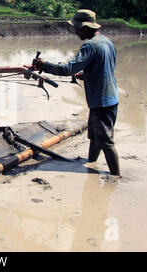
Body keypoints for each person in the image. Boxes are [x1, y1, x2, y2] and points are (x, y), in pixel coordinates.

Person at [33, 9, 120, 176]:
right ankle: (90, 164)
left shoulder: (90, 46)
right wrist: (85, 74)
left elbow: (67, 69)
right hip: (109, 98)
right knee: (95, 137)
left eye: (77, 28)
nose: (76, 32)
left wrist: (44, 65)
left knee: (106, 142)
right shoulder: (106, 42)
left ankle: (116, 178)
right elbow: (105, 68)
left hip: (102, 102)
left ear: (86, 27)